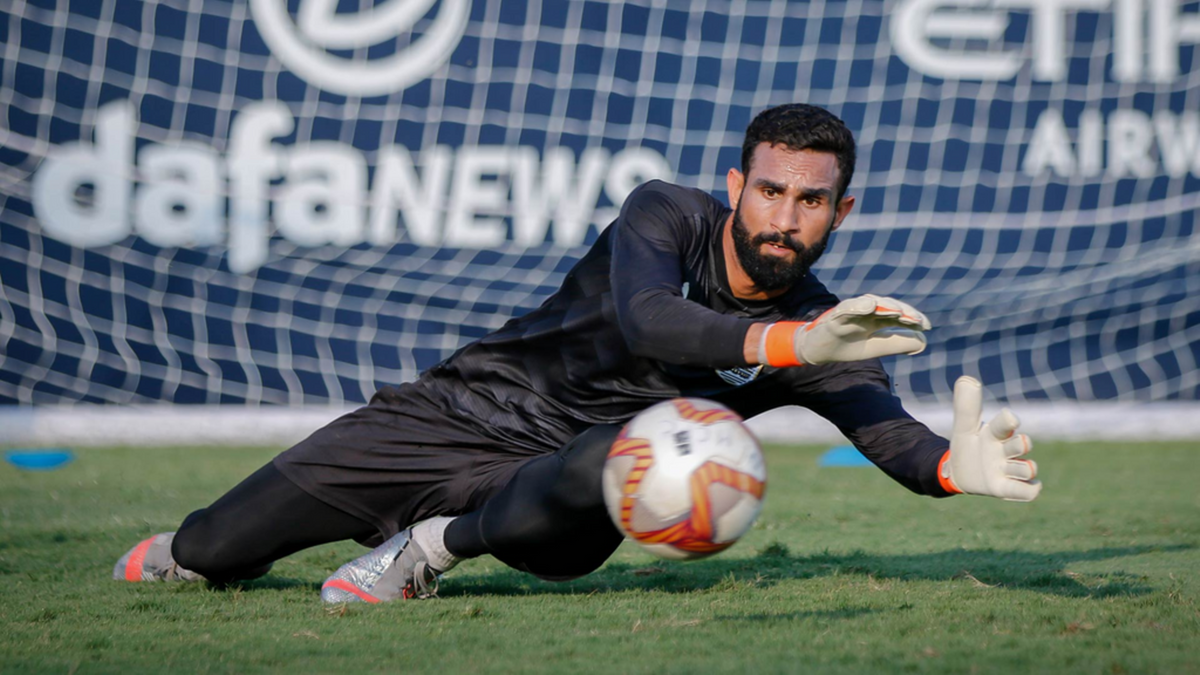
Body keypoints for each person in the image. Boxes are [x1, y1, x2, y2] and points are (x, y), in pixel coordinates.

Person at [114, 104, 1041, 602]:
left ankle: (426, 551)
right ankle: (206, 551)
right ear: (736, 187)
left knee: (625, 450)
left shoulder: (826, 331)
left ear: (841, 213)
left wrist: (951, 469)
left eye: (811, 201)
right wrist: (791, 339)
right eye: (770, 191)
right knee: (209, 547)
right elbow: (649, 321)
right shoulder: (665, 213)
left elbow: (892, 435)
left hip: (566, 494)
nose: (784, 216)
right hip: (456, 410)